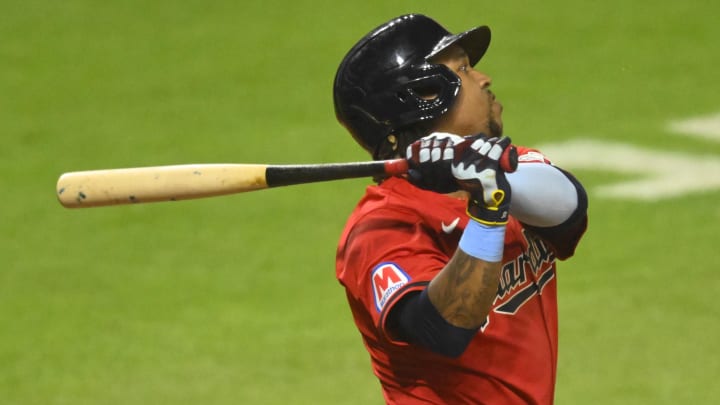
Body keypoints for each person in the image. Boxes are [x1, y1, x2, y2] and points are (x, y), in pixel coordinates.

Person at [333, 14, 589, 405]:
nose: (484, 78)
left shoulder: (508, 167)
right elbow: (444, 328)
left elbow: (570, 211)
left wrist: (486, 179)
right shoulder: (380, 229)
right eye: (463, 69)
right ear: (425, 95)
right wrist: (487, 210)